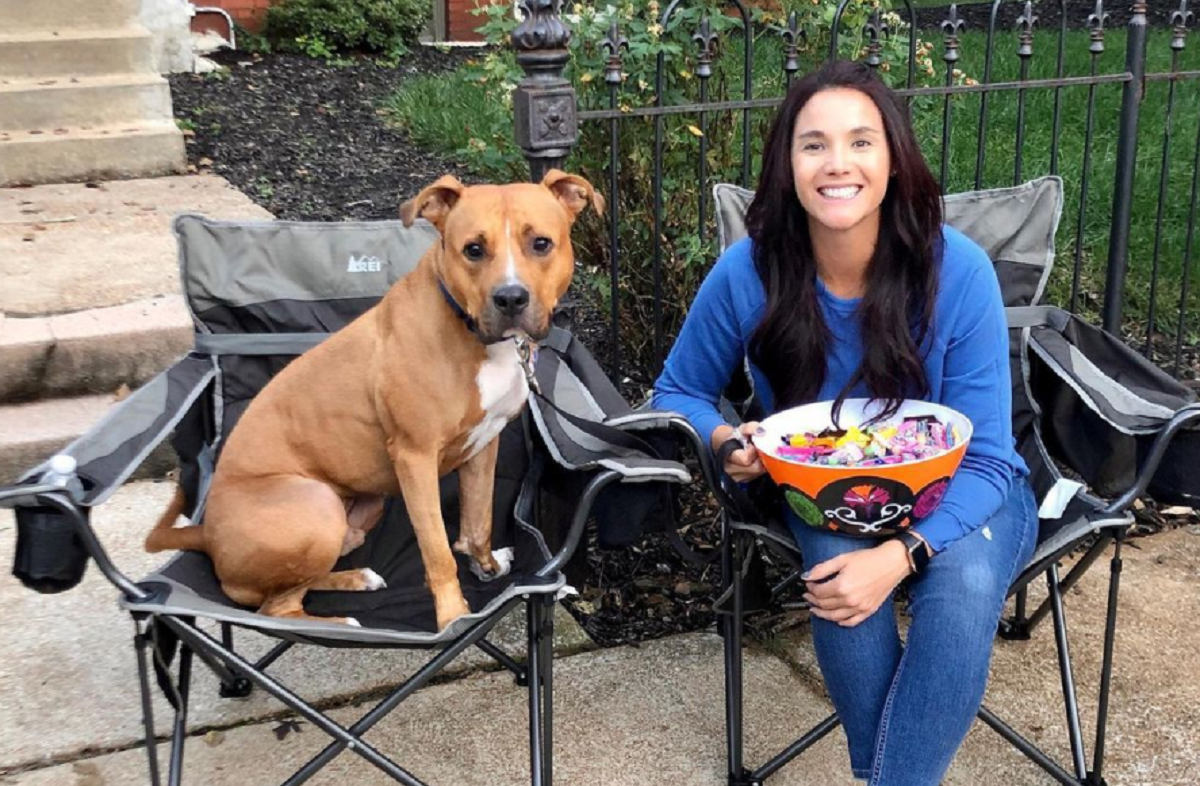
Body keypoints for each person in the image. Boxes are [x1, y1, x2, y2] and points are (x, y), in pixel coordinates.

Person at [652, 60, 1038, 786]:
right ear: (787, 164)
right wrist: (727, 439)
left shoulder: (958, 272)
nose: (838, 164)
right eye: (814, 144)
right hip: (822, 488)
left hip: (968, 490)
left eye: (862, 142)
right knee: (839, 579)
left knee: (960, 584)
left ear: (893, 160)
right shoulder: (750, 271)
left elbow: (989, 458)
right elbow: (676, 392)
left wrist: (900, 556)